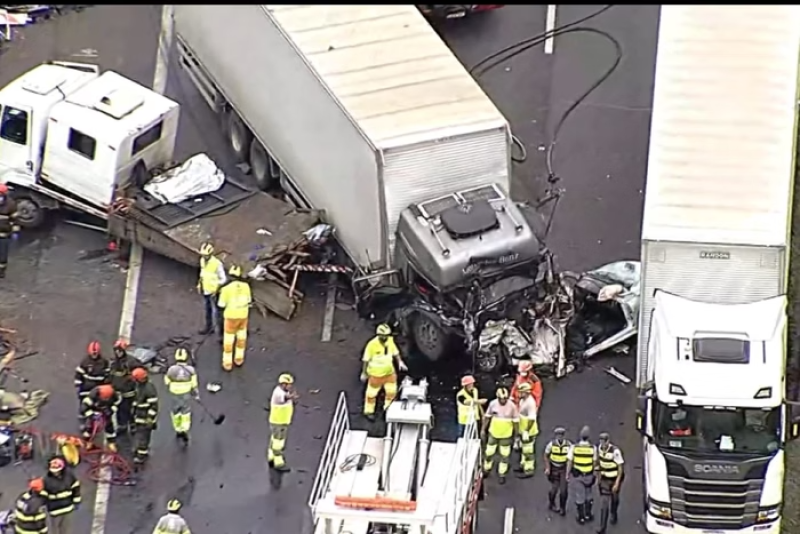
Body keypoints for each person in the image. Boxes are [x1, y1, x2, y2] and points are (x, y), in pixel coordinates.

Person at [360, 324, 407, 420]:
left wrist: (400, 362)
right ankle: (369, 411)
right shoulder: (372, 345)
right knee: (371, 394)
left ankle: (388, 408)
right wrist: (364, 373)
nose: (385, 337)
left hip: (389, 373)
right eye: (383, 335)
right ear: (379, 335)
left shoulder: (390, 341)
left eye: (387, 335)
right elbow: (366, 360)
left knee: (391, 392)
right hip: (376, 375)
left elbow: (395, 352)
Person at [217, 264, 252, 371]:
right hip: (243, 316)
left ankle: (227, 363)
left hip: (231, 317)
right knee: (241, 339)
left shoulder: (226, 289)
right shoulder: (246, 286)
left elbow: (221, 304)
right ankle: (239, 359)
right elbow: (249, 300)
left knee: (229, 340)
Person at [481, 387, 519, 485]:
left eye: (505, 399)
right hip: (493, 432)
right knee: (489, 452)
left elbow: (515, 422)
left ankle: (502, 474)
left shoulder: (512, 406)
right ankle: (486, 469)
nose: (503, 401)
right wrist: (483, 430)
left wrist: (516, 435)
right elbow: (487, 417)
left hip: (506, 435)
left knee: (504, 455)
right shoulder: (493, 404)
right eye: (501, 399)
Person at [164, 348, 199, 445]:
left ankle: (178, 429)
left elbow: (167, 382)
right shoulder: (191, 370)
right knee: (185, 412)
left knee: (175, 411)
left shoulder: (171, 369)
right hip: (186, 393)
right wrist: (196, 394)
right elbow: (194, 384)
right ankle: (185, 429)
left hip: (174, 393)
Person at [109, 338, 141, 435]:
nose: (118, 353)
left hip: (129, 392)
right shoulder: (113, 363)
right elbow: (110, 375)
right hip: (117, 392)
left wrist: (132, 378)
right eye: (116, 350)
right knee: (119, 410)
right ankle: (122, 426)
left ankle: (132, 424)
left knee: (129, 409)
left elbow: (140, 372)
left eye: (120, 350)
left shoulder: (131, 362)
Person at [41, 456, 81, 534]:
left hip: (67, 508)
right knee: (55, 530)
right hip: (55, 511)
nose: (55, 472)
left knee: (66, 530)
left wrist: (77, 501)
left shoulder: (69, 476)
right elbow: (43, 495)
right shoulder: (46, 480)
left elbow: (75, 487)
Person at [267, 373, 298, 473]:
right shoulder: (278, 393)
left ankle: (271, 457)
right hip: (278, 422)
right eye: (288, 384)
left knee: (274, 439)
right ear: (283, 384)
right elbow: (285, 398)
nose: (290, 386)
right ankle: (278, 462)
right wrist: (292, 397)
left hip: (281, 421)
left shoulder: (284, 391)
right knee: (278, 442)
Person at [595, 432, 624, 534]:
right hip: (604, 479)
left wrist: (617, 483)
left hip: (614, 478)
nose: (602, 443)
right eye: (601, 441)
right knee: (604, 504)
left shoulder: (615, 451)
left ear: (608, 441)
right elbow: (598, 462)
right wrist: (598, 476)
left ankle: (614, 512)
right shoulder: (599, 448)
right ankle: (602, 527)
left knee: (615, 499)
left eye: (604, 441)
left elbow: (620, 468)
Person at [567, 425, 597, 524]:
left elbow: (570, 461)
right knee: (589, 495)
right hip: (589, 475)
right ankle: (588, 514)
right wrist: (595, 474)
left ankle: (581, 517)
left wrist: (567, 473)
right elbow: (595, 462)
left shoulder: (574, 448)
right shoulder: (593, 448)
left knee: (580, 496)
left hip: (578, 475)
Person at [131, 368, 159, 466]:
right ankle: (139, 450)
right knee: (139, 434)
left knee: (143, 436)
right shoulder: (139, 386)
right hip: (139, 415)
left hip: (145, 418)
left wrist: (150, 418)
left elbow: (154, 406)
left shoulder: (148, 389)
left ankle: (141, 456)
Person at [197, 242, 226, 336]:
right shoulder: (202, 260)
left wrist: (216, 288)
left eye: (206, 255)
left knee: (217, 313)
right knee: (207, 310)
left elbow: (223, 279)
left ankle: (221, 333)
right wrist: (199, 284)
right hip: (206, 290)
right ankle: (208, 328)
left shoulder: (217, 264)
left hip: (215, 292)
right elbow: (203, 273)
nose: (204, 257)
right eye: (203, 255)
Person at [80, 384, 120, 452]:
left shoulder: (114, 394)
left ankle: (111, 443)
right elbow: (84, 407)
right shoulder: (92, 395)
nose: (106, 399)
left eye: (107, 398)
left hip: (106, 410)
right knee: (90, 427)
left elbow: (116, 403)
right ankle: (88, 442)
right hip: (94, 410)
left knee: (109, 427)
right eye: (104, 397)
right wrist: (91, 414)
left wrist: (111, 410)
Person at [73, 341, 110, 413]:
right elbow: (79, 373)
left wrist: (106, 385)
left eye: (96, 353)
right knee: (85, 406)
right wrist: (78, 384)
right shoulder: (85, 362)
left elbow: (107, 374)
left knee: (98, 406)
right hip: (86, 389)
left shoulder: (104, 362)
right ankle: (84, 418)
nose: (94, 355)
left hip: (98, 388)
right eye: (93, 353)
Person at [543, 427, 570, 516]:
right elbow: (546, 455)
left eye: (561, 435)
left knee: (563, 491)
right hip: (554, 468)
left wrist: (568, 472)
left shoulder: (568, 445)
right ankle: (552, 503)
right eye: (558, 435)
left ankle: (562, 508)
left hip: (563, 468)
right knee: (553, 490)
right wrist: (547, 468)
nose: (560, 437)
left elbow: (571, 458)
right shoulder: (551, 445)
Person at [515, 382, 539, 478]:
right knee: (524, 450)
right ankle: (523, 465)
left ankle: (529, 470)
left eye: (521, 392)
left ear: (527, 392)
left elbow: (532, 419)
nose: (519, 393)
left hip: (528, 431)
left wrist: (526, 431)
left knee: (528, 451)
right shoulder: (523, 400)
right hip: (523, 429)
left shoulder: (530, 403)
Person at [0, 184, 19, 279]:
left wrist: (15, 232)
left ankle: (1, 272)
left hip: (3, 235)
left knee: (2, 255)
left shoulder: (11, 204)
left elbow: (15, 220)